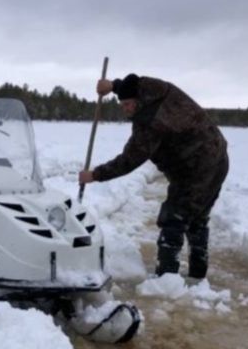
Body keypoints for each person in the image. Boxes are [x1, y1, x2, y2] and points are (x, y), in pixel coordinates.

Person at [79, 74, 228, 281]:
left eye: (129, 104)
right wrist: (113, 86)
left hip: (194, 167)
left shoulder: (150, 123)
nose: (126, 109)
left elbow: (129, 160)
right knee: (197, 219)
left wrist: (95, 175)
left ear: (139, 101)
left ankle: (166, 280)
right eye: (122, 104)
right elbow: (133, 84)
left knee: (174, 218)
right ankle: (197, 274)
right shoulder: (158, 89)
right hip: (218, 156)